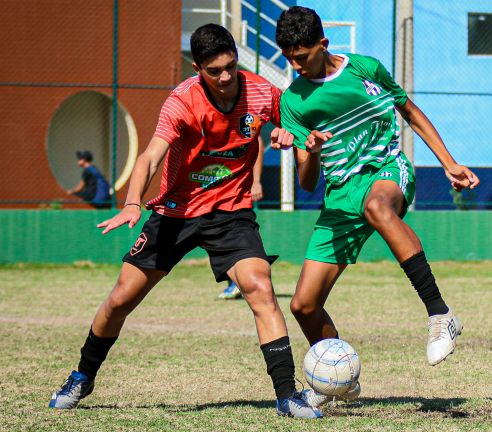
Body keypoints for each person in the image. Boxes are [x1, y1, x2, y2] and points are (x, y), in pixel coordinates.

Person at [48, 24, 322, 419]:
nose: (226, 77)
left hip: (231, 213)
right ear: (198, 69)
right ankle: (82, 376)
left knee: (260, 287)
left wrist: (288, 133)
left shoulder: (263, 91)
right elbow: (150, 157)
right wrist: (131, 203)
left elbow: (295, 121)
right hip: (174, 213)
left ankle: (286, 395)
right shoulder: (182, 101)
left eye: (231, 66)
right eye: (215, 71)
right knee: (121, 300)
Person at [272, 6, 480, 405]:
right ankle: (339, 380)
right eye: (289, 57)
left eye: (302, 56)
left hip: (385, 169)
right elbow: (307, 180)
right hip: (339, 195)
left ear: (323, 44)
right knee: (303, 305)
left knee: (377, 208)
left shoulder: (365, 68)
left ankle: (440, 314)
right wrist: (311, 150)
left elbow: (410, 111)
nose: (295, 64)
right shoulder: (293, 102)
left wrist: (448, 162)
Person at [219, 135, 265, 300]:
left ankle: (239, 282)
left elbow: (258, 141)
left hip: (238, 193)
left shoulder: (242, 116)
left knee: (235, 237)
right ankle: (236, 281)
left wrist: (256, 181)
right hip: (217, 191)